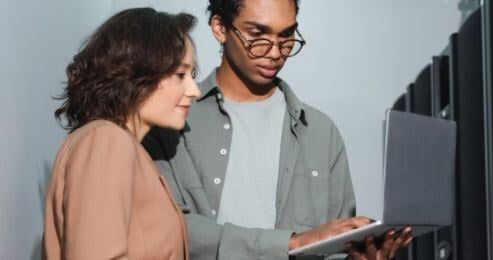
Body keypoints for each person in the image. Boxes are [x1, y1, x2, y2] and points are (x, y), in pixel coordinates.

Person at [142, 0, 411, 259]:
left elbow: (335, 249)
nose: (275, 52)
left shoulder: (321, 132)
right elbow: (170, 228)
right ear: (220, 28)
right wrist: (292, 243)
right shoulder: (170, 122)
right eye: (257, 33)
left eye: (287, 35)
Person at [42, 8, 201, 260]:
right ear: (137, 71)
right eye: (181, 74)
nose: (194, 90)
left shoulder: (119, 144)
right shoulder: (105, 140)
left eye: (193, 75)